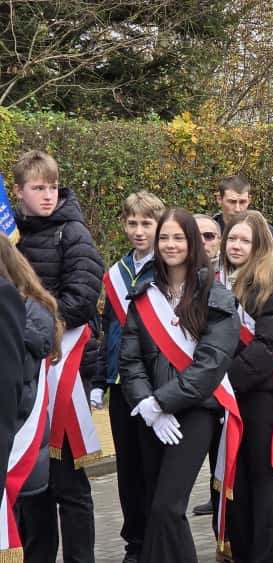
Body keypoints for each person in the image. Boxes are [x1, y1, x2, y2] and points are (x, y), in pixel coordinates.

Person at [119, 208, 240, 563]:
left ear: (192, 243)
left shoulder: (215, 295)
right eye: (164, 238)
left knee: (168, 507)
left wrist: (162, 402)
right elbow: (130, 359)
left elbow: (211, 364)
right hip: (151, 416)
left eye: (179, 237)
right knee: (153, 510)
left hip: (195, 412)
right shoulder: (144, 294)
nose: (170, 245)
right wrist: (147, 404)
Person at [12, 149, 103, 563]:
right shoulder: (12, 237)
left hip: (63, 369)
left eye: (52, 187)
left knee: (69, 482)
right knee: (33, 481)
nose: (48, 195)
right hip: (27, 367)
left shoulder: (73, 233)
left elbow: (82, 295)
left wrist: (40, 331)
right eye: (38, 188)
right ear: (19, 192)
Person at [219, 210, 273, 562]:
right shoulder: (218, 280)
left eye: (244, 240)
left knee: (262, 477)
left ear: (260, 244)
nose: (236, 245)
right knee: (234, 477)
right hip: (226, 394)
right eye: (232, 238)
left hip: (259, 396)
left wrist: (225, 380)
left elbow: (269, 346)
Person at [93, 190, 165, 561]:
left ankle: (156, 541)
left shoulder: (167, 270)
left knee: (154, 468)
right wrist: (99, 381)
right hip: (121, 386)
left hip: (155, 386)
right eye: (132, 223)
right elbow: (108, 331)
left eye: (146, 223)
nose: (139, 231)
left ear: (159, 225)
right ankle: (134, 542)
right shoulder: (116, 273)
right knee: (128, 469)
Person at [1, 235, 56, 563]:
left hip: (20, 439)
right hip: (15, 438)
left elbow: (17, 379)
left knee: (31, 533)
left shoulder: (28, 310)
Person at [191, 212, 224, 519]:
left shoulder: (234, 278)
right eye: (195, 235)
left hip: (229, 386)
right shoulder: (172, 279)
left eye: (209, 236)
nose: (203, 242)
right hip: (189, 388)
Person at [214, 175, 273, 269]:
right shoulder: (208, 232)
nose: (237, 209)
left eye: (242, 202)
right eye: (232, 202)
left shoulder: (267, 233)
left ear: (249, 200)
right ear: (219, 199)